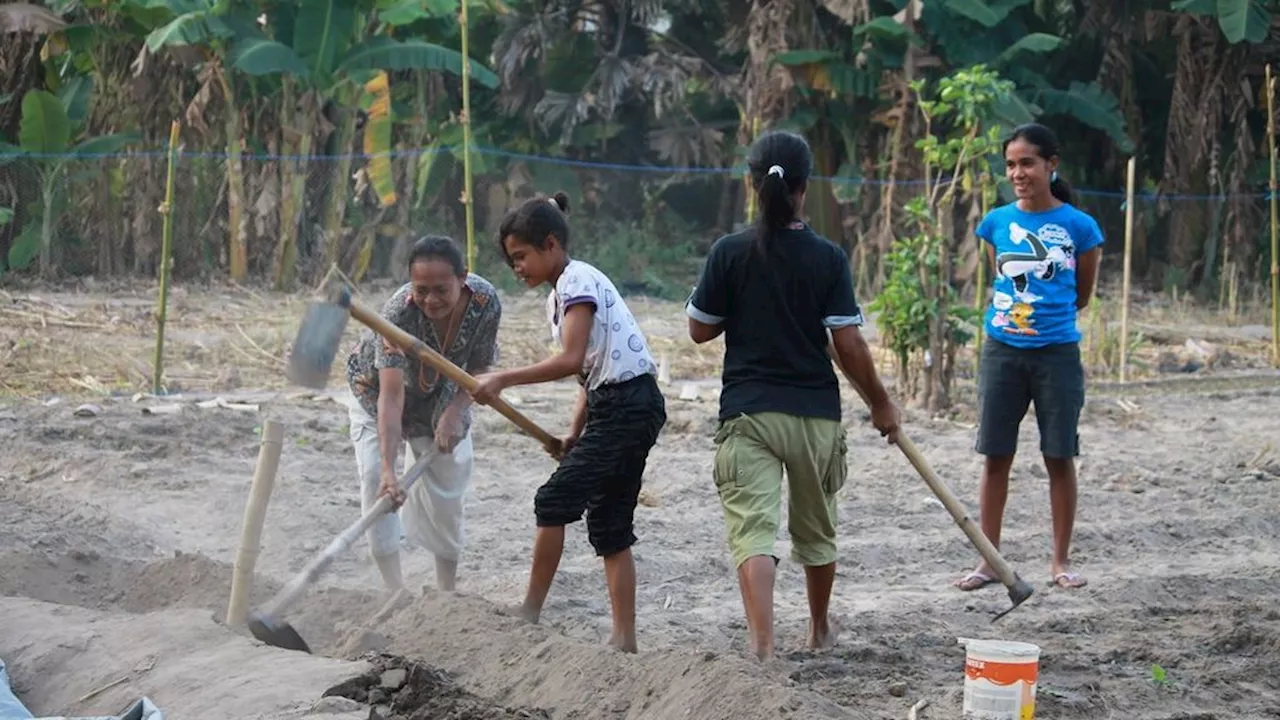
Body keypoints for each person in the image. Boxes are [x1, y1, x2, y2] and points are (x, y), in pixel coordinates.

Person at [685, 129, 901, 662]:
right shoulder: (827, 258)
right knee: (816, 529)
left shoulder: (729, 252)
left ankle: (762, 645)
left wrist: (740, 302)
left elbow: (698, 329)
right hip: (814, 416)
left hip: (749, 415)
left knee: (753, 532)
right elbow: (847, 345)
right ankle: (819, 628)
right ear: (804, 188)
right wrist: (880, 401)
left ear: (750, 183)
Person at [469, 192, 667, 654]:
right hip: (619, 404)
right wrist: (574, 432)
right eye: (511, 260)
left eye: (521, 257)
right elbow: (589, 373)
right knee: (609, 523)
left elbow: (570, 359)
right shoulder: (560, 296)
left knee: (553, 499)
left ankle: (530, 611)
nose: (517, 268)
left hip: (629, 404)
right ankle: (624, 640)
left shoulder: (578, 279)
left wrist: (502, 379)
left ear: (551, 244)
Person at [953, 122, 1103, 593]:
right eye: (1011, 165)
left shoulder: (1081, 227)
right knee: (995, 455)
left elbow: (1081, 295)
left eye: (1027, 163)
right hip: (1002, 353)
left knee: (1058, 455)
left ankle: (1060, 561)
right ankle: (989, 561)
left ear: (1051, 165)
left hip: (1056, 355)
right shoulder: (996, 222)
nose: (1018, 173)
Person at [344, 235, 502, 599]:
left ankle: (445, 589)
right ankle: (395, 589)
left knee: (449, 480)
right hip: (375, 393)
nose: (430, 300)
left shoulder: (485, 302)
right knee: (374, 480)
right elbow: (391, 395)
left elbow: (479, 366)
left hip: (443, 393)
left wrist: (455, 411)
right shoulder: (398, 314)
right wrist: (388, 468)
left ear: (462, 278)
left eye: (440, 290)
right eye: (421, 289)